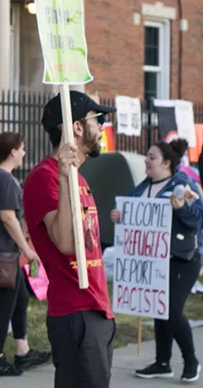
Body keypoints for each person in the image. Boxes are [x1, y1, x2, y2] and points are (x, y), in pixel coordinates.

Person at [22, 90, 117, 388]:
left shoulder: (79, 178)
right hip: (76, 314)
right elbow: (65, 243)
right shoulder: (45, 177)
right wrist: (64, 176)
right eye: (97, 119)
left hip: (96, 310)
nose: (102, 127)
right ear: (76, 127)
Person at [111, 138, 203, 382]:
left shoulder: (183, 185)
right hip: (156, 260)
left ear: (166, 163)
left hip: (184, 258)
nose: (146, 161)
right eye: (147, 156)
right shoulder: (141, 189)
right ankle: (163, 362)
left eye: (152, 157)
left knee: (171, 310)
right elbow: (131, 217)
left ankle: (191, 360)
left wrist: (182, 207)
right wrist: (120, 216)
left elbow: (197, 220)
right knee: (158, 308)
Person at [0, 132, 52, 377]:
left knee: (20, 299)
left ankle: (23, 351)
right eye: (21, 149)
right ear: (12, 152)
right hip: (2, 250)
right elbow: (8, 217)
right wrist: (28, 250)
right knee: (6, 304)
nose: (23, 153)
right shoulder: (6, 180)